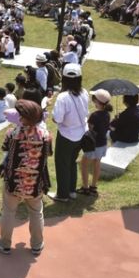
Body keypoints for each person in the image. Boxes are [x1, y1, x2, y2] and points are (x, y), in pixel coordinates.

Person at [0, 100, 51, 257]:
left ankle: (4, 244)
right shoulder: (46, 135)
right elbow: (49, 153)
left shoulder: (12, 133)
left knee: (9, 212)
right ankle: (37, 245)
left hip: (13, 182)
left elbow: (5, 148)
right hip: (36, 182)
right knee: (36, 212)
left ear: (23, 117)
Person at [49, 63, 88, 202]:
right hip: (81, 134)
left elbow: (57, 119)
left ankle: (63, 194)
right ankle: (71, 191)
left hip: (66, 135)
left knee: (62, 164)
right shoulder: (84, 92)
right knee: (72, 162)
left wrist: (53, 116)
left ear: (64, 79)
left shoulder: (63, 97)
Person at [78, 89, 112, 197]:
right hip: (102, 144)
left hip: (93, 145)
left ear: (98, 102)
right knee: (97, 163)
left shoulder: (94, 115)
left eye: (94, 99)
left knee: (84, 164)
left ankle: (85, 187)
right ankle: (93, 186)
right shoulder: (107, 114)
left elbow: (90, 128)